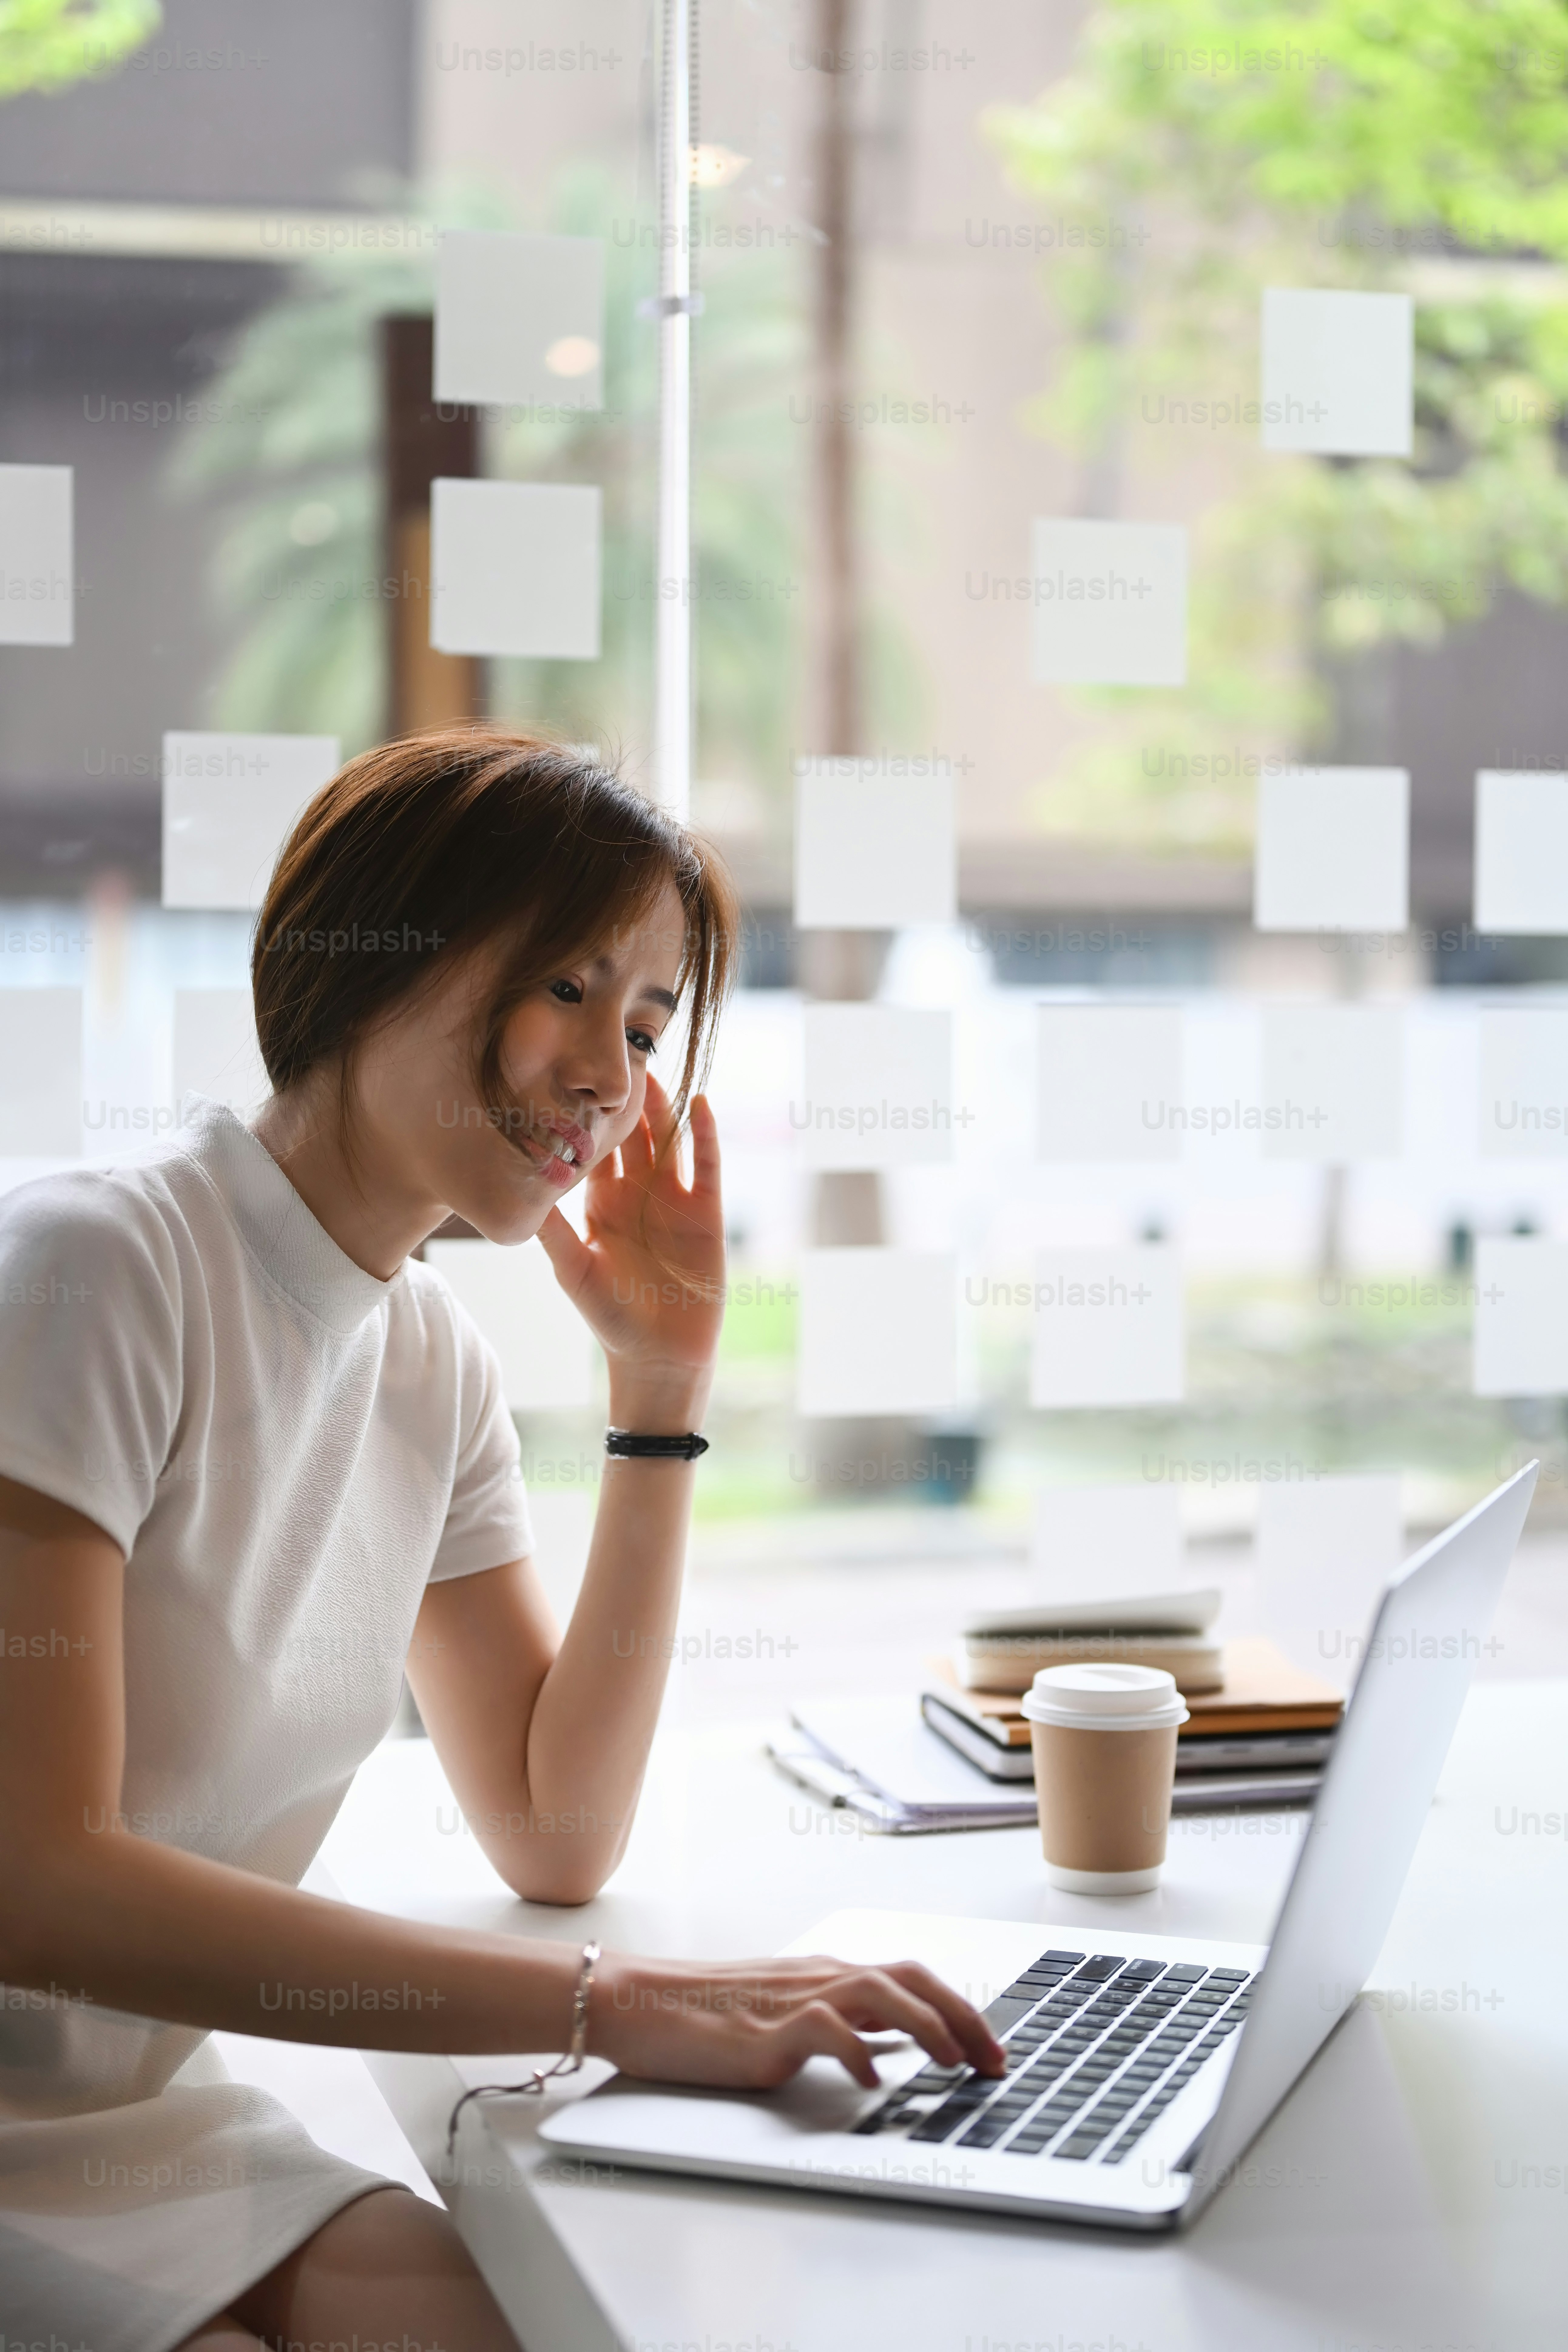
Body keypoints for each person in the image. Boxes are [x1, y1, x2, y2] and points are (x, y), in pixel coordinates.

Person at [0, 728, 1003, 2352]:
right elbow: (37, 1881)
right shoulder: (100, 1269)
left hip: (146, 2126)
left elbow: (553, 1823)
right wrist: (612, 2006)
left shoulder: (429, 1365)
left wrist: (661, 1390)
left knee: (521, 2320)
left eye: (651, 1021)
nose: (614, 1073)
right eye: (568, 987)